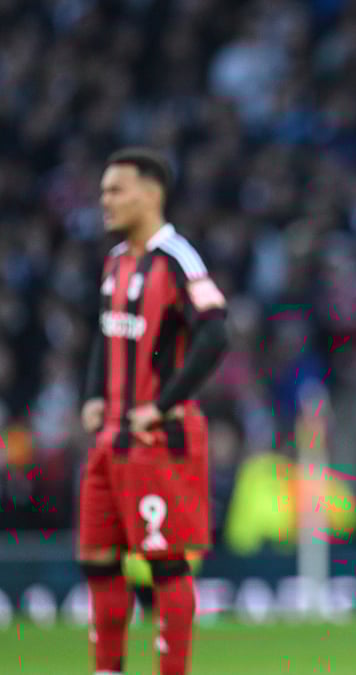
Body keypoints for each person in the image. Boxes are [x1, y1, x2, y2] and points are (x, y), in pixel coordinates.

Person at [79, 147, 230, 675]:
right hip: (110, 438)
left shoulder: (177, 257)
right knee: (97, 562)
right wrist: (95, 393)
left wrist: (162, 405)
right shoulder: (117, 260)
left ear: (149, 193)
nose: (105, 201)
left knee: (164, 563)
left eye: (115, 190)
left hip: (156, 440)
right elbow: (107, 334)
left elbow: (216, 332)